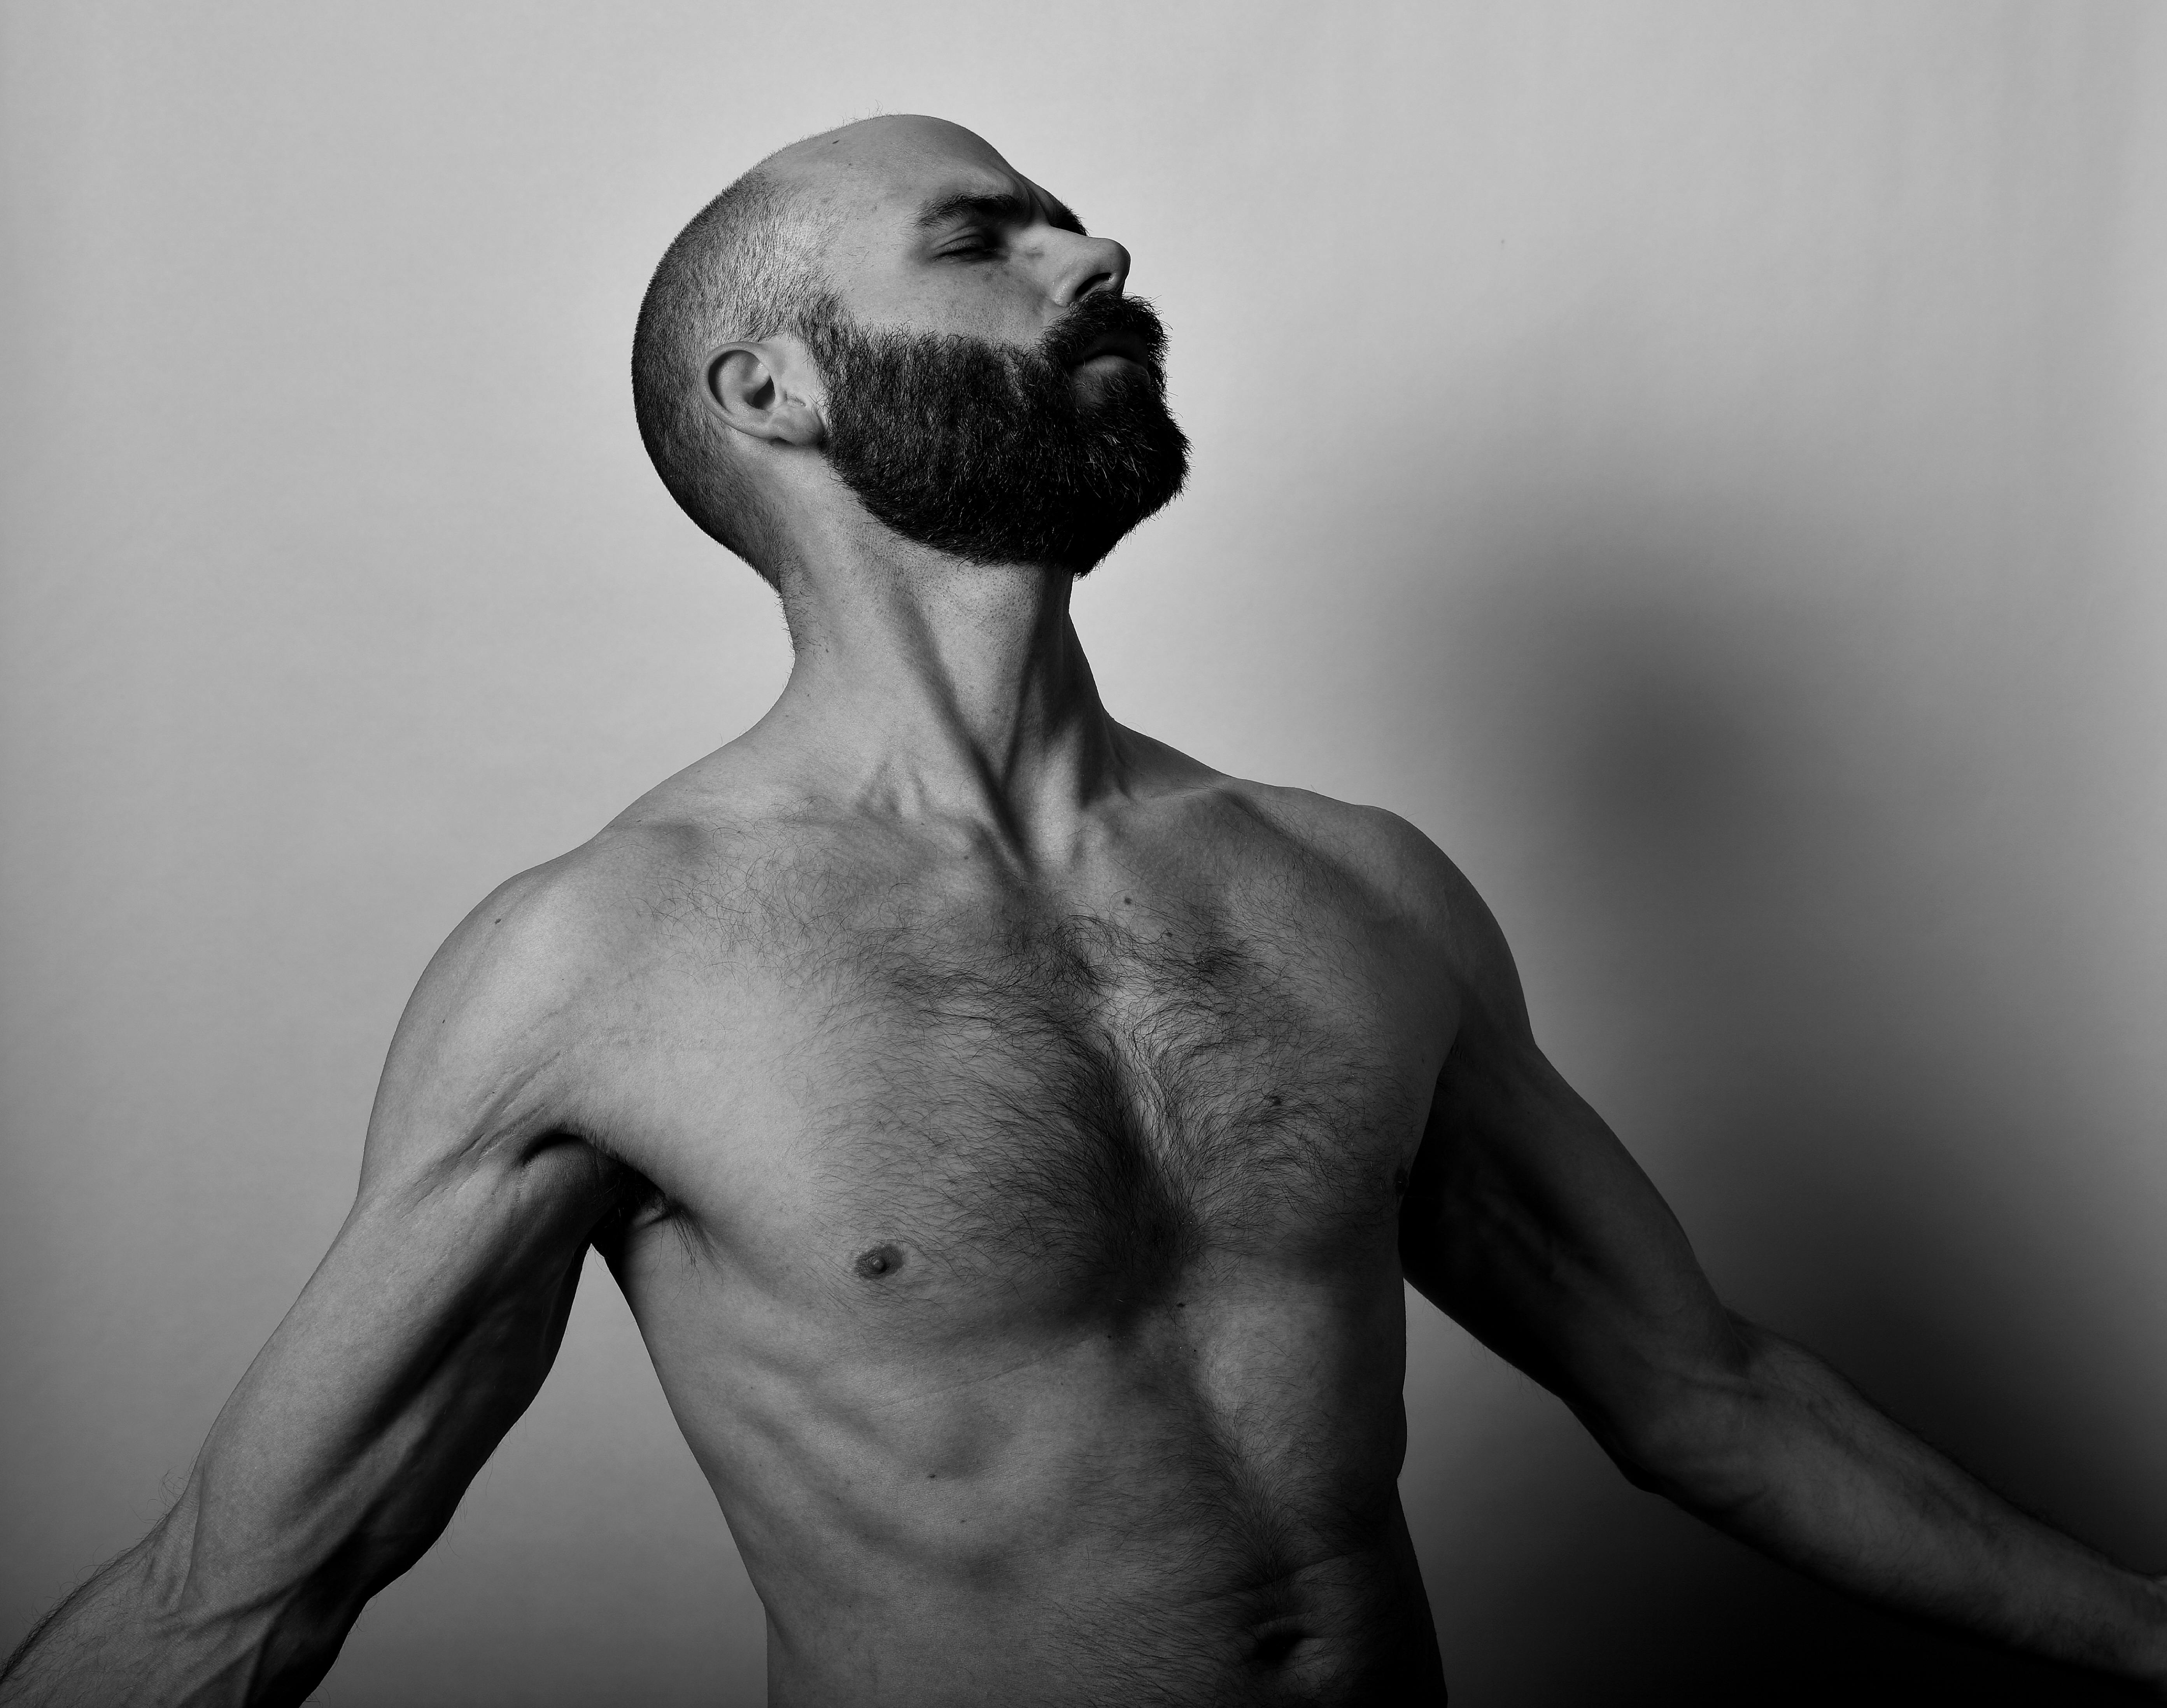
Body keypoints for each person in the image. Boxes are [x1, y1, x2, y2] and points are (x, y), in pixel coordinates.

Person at [3, 113, 2162, 1708]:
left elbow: (1711, 1396)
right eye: (987, 234)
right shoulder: (614, 962)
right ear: (781, 386)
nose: (1096, 243)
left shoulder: (1353, 888)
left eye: (1061, 212)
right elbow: (247, 1585)